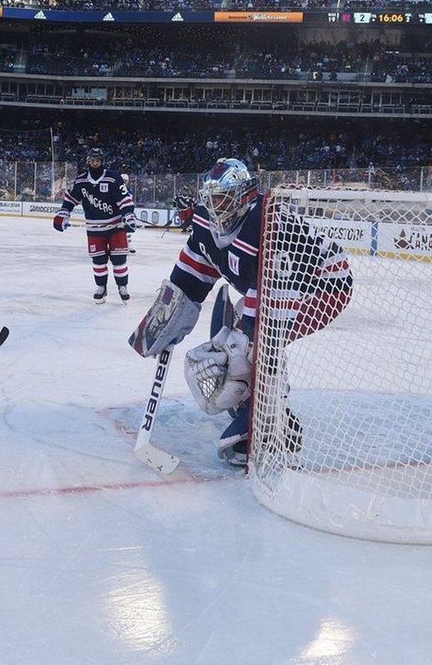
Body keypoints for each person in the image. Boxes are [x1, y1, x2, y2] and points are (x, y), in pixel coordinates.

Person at [129, 158, 354, 465]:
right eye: (211, 201)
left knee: (252, 343)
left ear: (245, 196)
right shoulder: (207, 224)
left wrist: (245, 344)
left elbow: (266, 306)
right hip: (269, 285)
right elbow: (191, 276)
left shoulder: (268, 223)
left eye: (223, 200)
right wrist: (167, 317)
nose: (216, 208)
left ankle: (268, 421)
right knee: (242, 335)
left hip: (323, 285)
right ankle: (252, 402)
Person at [53, 147, 135, 304]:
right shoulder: (82, 180)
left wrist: (129, 214)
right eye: (92, 160)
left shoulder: (113, 178)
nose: (95, 163)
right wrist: (63, 213)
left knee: (119, 260)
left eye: (98, 160)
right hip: (94, 229)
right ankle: (101, 288)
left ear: (102, 161)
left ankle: (122, 287)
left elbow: (124, 199)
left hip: (115, 227)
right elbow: (71, 198)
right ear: (88, 161)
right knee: (98, 261)